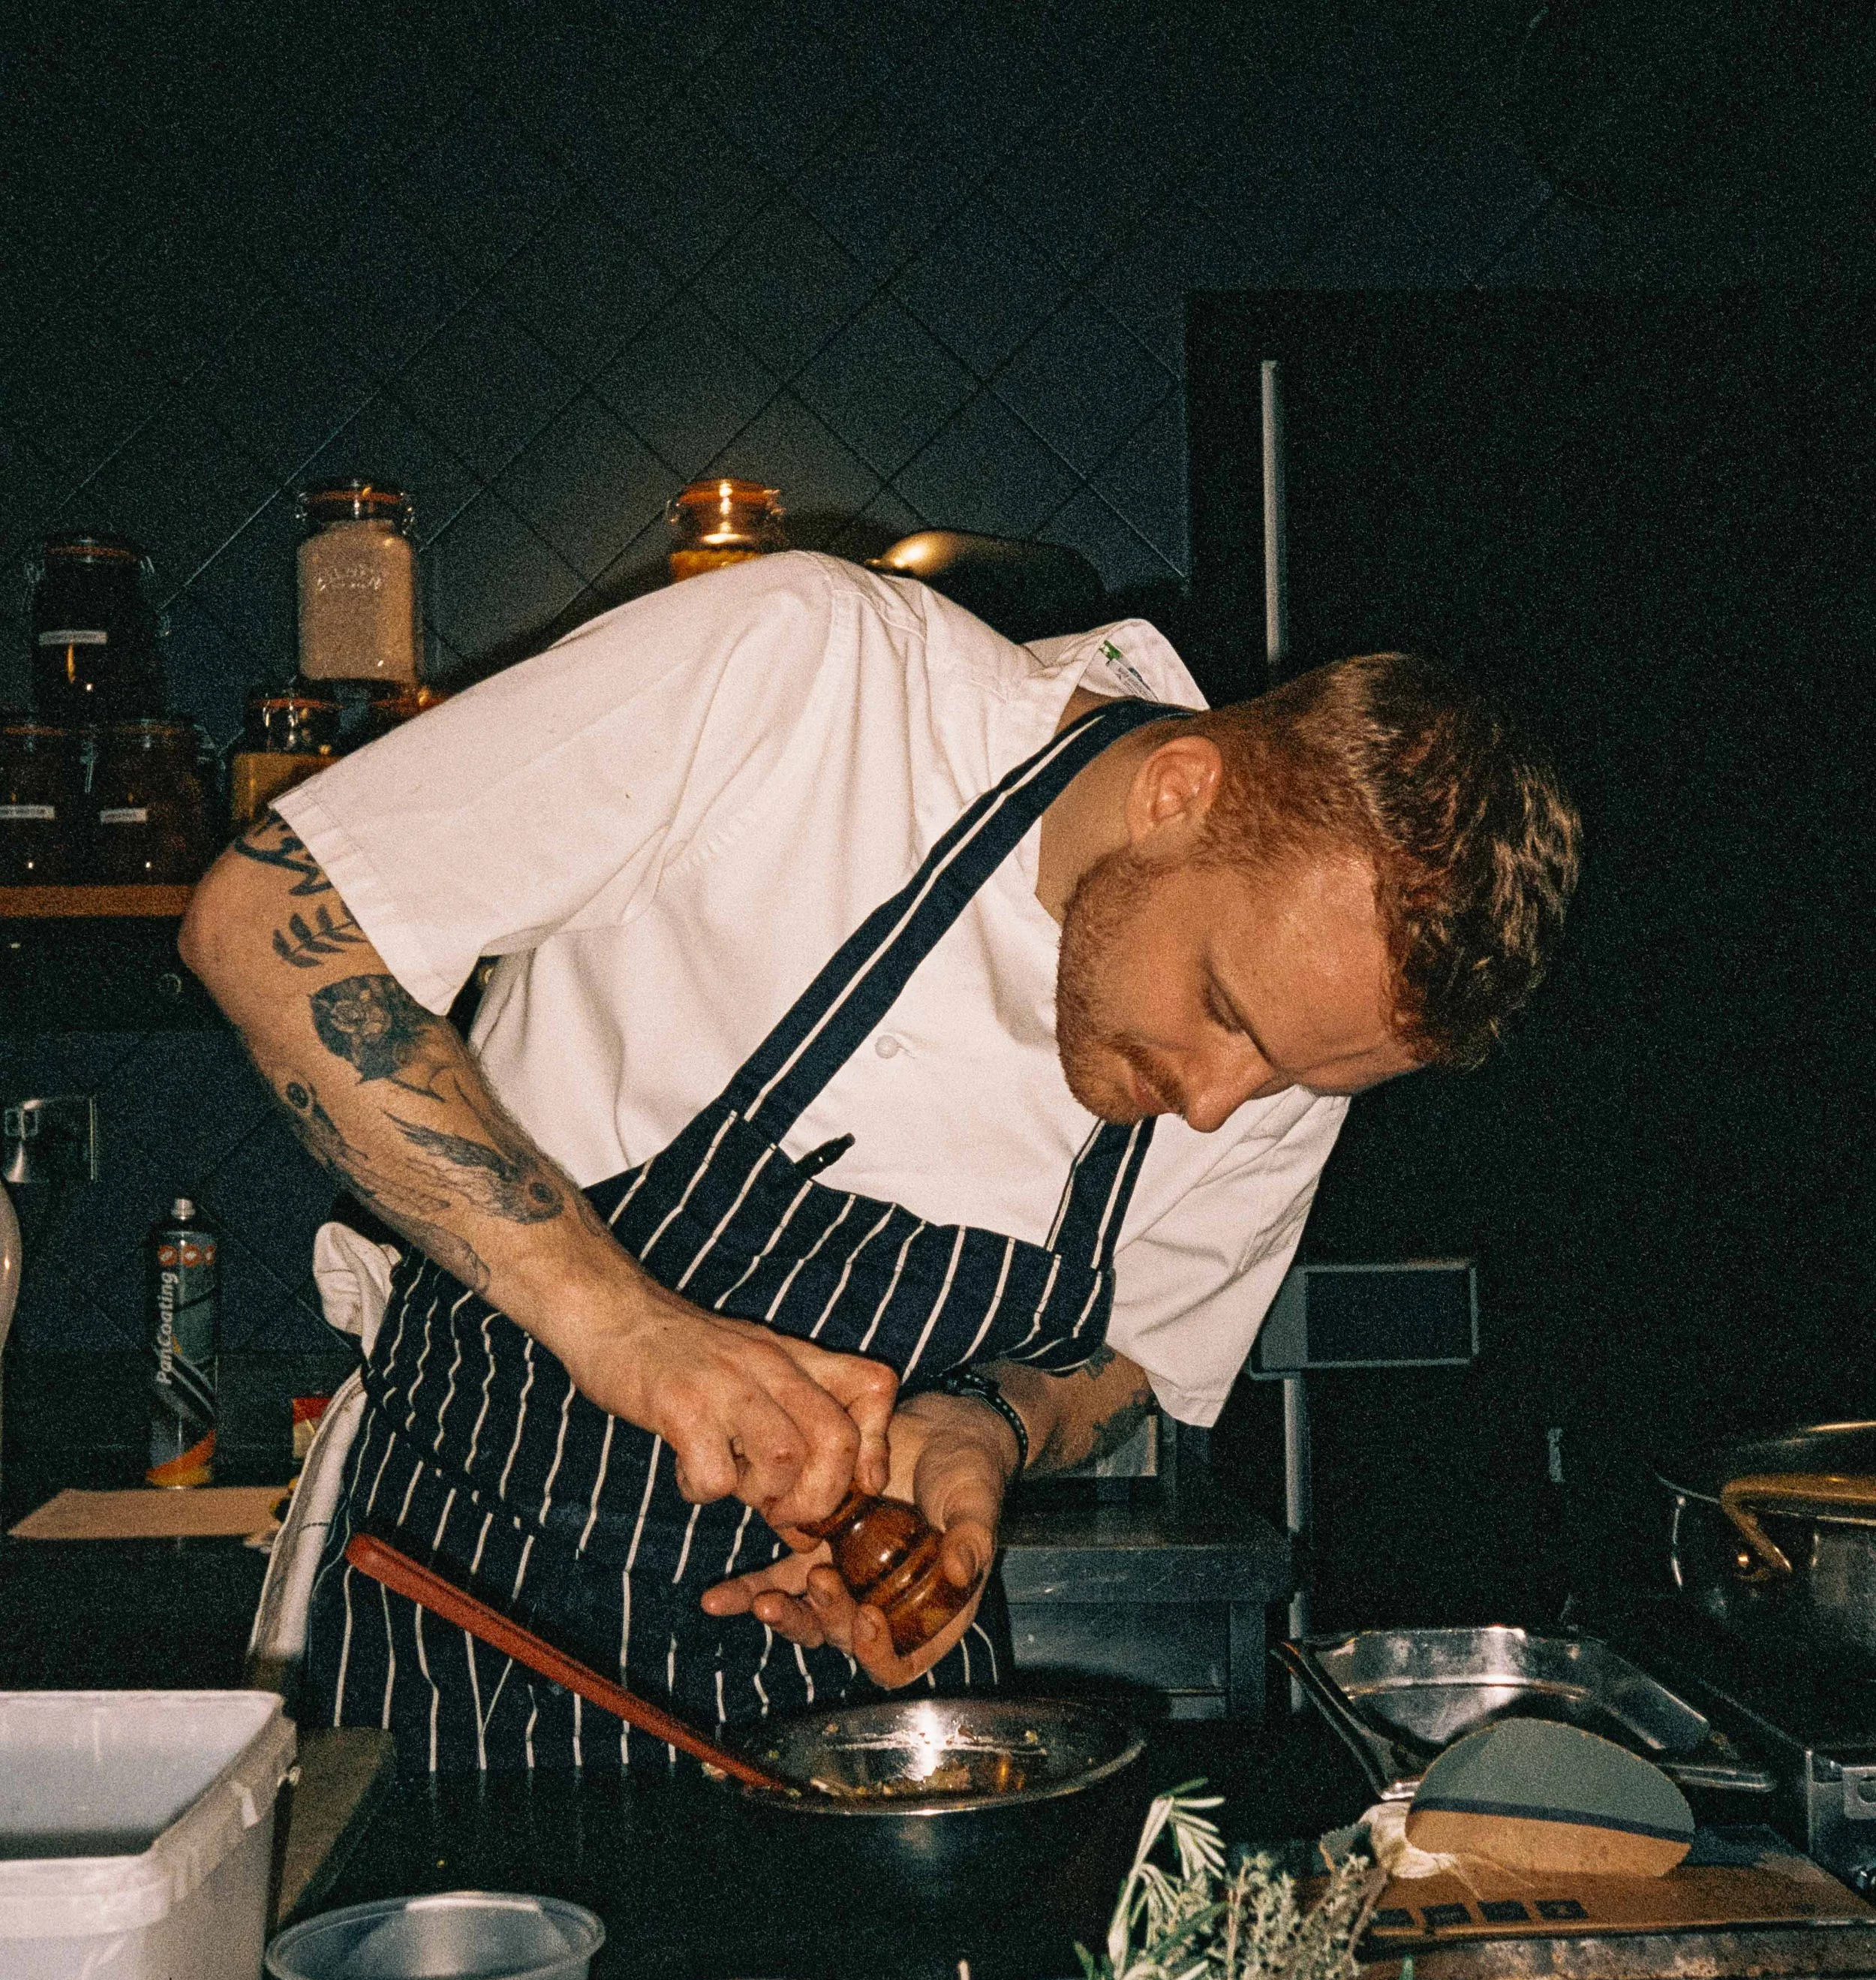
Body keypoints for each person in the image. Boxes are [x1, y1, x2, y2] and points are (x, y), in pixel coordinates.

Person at [182, 552, 1577, 1771]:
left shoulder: (1303, 1015)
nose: (1219, 1108)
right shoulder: (812, 681)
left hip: (869, 1718)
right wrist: (620, 1320)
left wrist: (991, 1426)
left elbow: (1141, 1349)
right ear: (1178, 793)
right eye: (1223, 1011)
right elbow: (269, 917)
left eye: (1289, 1076)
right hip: (459, 1634)